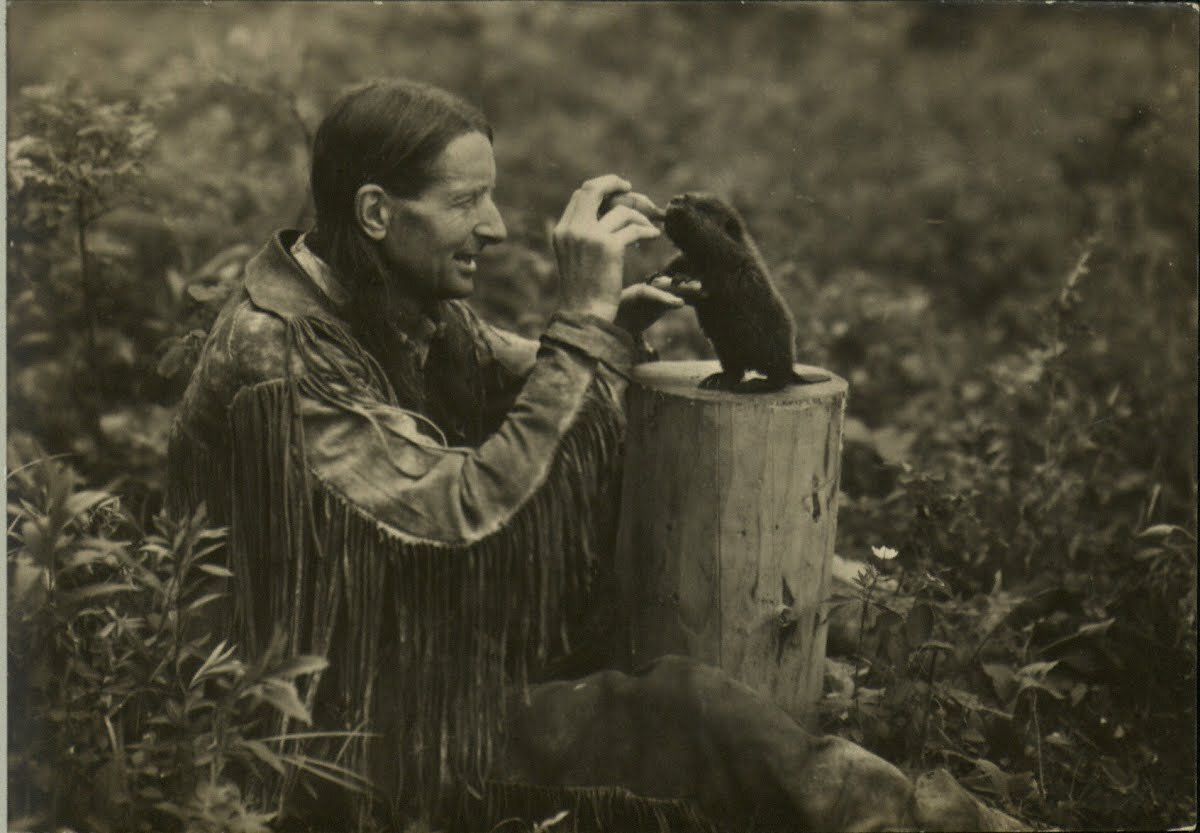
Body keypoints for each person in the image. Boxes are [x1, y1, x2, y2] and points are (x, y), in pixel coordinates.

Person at [167, 79, 1022, 832]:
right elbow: (466, 517)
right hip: (351, 733)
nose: (496, 228)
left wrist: (607, 333)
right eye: (467, 203)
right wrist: (579, 322)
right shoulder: (277, 357)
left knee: (775, 602)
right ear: (378, 213)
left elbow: (520, 384)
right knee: (687, 711)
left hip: (424, 648)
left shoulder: (379, 290)